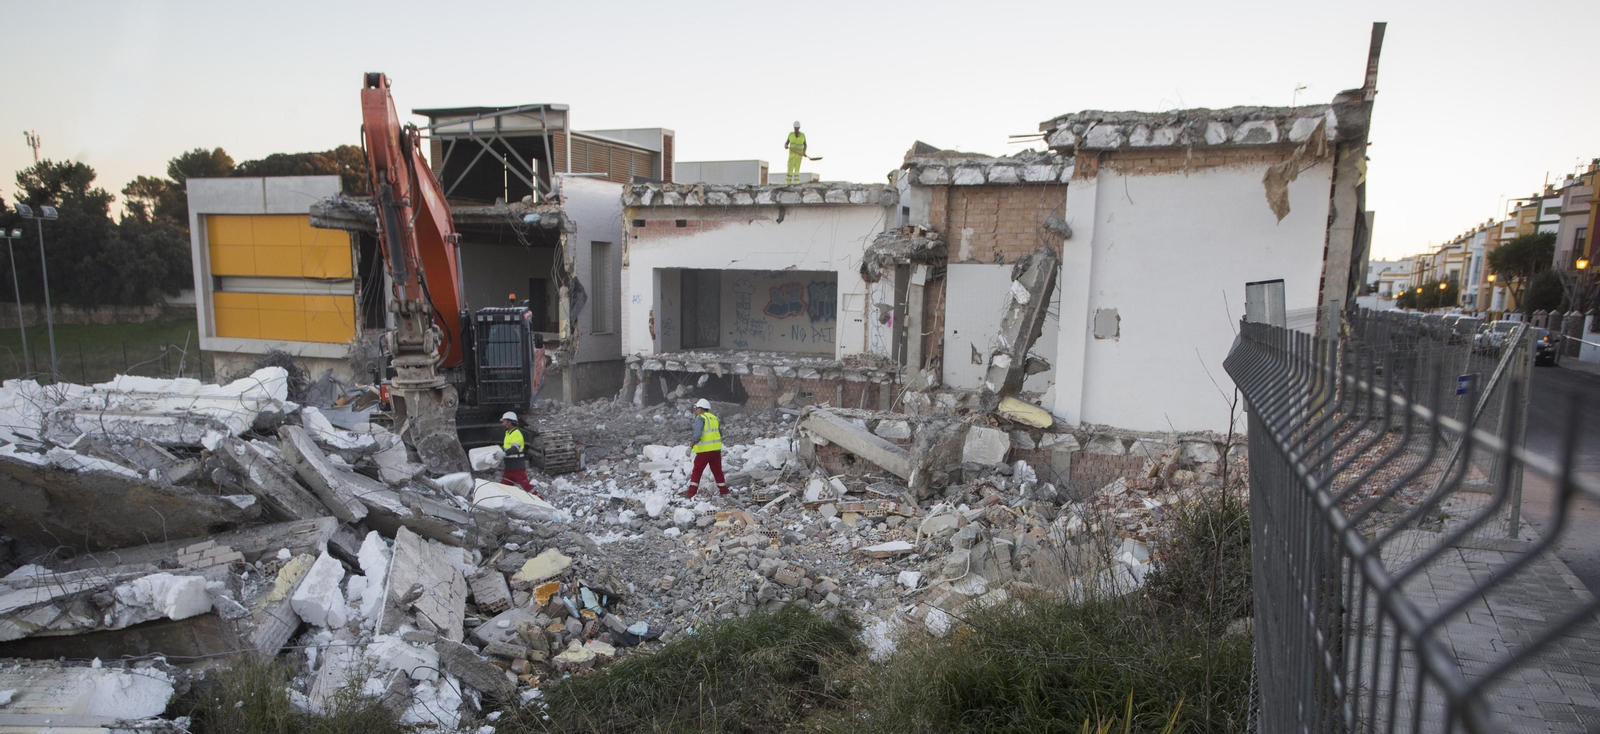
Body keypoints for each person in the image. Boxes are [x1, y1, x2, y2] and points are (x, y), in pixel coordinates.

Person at [686, 398, 728, 498]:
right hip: (716, 450)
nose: (695, 410)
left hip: (704, 451)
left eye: (696, 408)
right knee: (717, 471)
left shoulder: (701, 418)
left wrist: (691, 446)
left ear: (701, 409)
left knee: (697, 471)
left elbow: (697, 434)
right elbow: (719, 433)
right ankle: (724, 491)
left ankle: (691, 493)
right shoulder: (715, 418)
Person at [499, 411, 540, 497]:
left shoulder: (516, 434)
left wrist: (503, 453)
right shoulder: (508, 433)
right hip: (509, 467)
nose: (502, 423)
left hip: (517, 467)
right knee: (504, 487)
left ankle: (540, 499)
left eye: (504, 421)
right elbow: (507, 447)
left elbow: (515, 448)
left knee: (526, 486)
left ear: (509, 422)